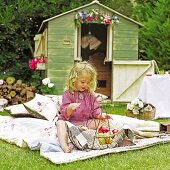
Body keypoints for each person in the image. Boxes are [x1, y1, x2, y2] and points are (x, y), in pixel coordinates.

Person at [56, 61, 110, 153]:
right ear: (73, 79)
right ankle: (65, 146)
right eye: (83, 82)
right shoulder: (68, 93)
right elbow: (64, 114)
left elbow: (95, 109)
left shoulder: (90, 94)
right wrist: (69, 108)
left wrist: (100, 115)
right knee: (60, 124)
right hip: (71, 123)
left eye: (88, 82)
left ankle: (101, 140)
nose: (85, 85)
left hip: (85, 122)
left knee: (103, 123)